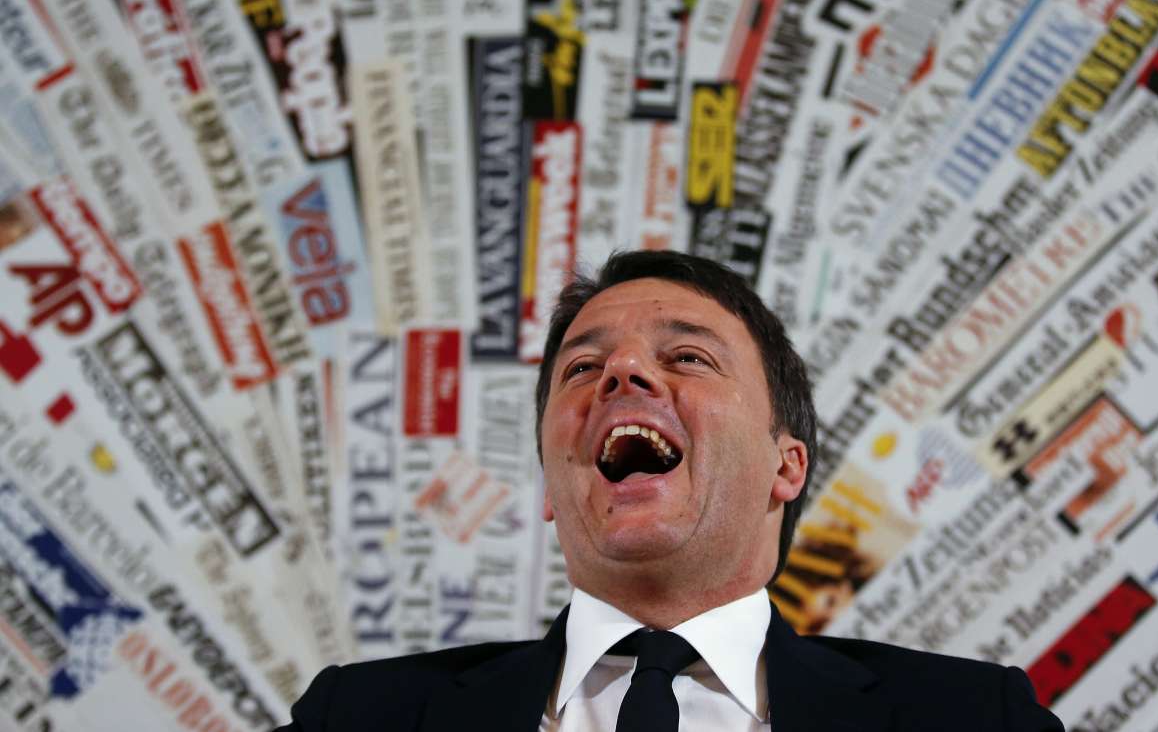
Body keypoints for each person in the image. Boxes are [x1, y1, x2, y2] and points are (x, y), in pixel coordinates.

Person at [278, 250, 1064, 731]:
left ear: (786, 466)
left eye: (688, 356)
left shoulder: (973, 717)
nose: (622, 372)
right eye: (582, 367)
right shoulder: (356, 717)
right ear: (551, 483)